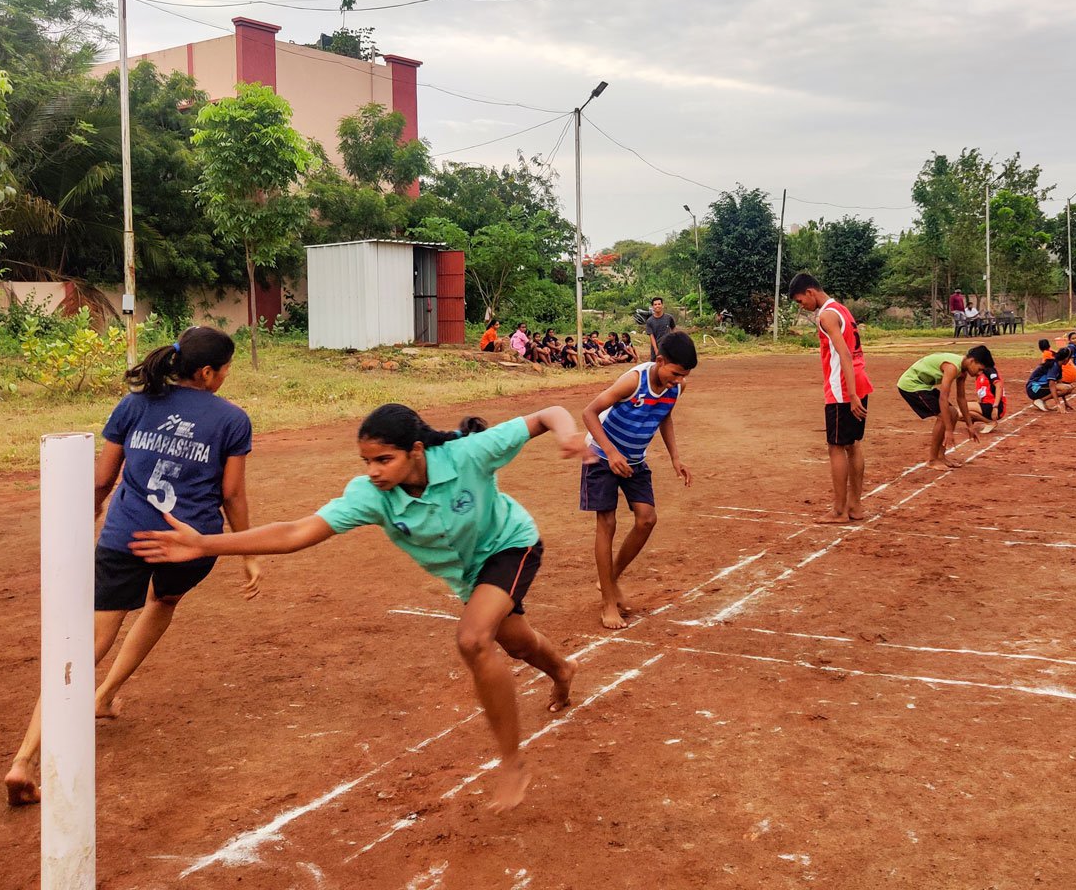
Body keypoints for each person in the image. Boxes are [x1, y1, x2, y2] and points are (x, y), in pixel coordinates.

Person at [133, 402, 590, 813]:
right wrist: (205, 544)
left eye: (383, 460)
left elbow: (549, 413)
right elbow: (296, 532)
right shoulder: (371, 495)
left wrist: (569, 433)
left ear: (415, 450)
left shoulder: (468, 454)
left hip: (510, 545)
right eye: (366, 461)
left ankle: (512, 762)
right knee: (514, 641)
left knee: (473, 639)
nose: (373, 470)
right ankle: (561, 670)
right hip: (467, 573)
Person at [5, 327, 259, 807]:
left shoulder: (136, 403)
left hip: (125, 539)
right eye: (225, 370)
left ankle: (24, 757)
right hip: (187, 545)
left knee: (88, 643)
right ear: (207, 373)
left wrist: (92, 514)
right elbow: (231, 494)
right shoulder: (232, 420)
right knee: (164, 602)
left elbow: (103, 478)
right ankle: (104, 695)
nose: (225, 378)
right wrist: (245, 551)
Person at [581, 331, 696, 630]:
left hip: (633, 460)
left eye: (684, 375)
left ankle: (610, 579)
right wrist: (610, 452)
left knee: (647, 519)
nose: (679, 380)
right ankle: (608, 602)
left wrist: (675, 457)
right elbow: (590, 412)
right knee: (607, 524)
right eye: (676, 372)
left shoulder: (676, 387)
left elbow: (664, 415)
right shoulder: (633, 381)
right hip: (601, 456)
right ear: (660, 361)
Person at [790, 273, 876, 517]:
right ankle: (855, 506)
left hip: (842, 389)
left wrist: (850, 395)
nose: (802, 307)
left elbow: (845, 354)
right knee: (853, 445)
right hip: (859, 381)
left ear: (810, 292)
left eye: (799, 301)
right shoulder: (842, 310)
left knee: (836, 447)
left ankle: (838, 511)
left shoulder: (826, 315)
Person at [895, 347, 988, 469]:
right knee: (944, 416)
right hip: (911, 385)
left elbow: (961, 398)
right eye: (980, 369)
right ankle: (932, 460)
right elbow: (943, 398)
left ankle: (941, 456)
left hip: (924, 386)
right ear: (972, 361)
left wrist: (970, 425)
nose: (979, 373)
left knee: (953, 413)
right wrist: (948, 430)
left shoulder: (962, 371)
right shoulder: (952, 367)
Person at [966, 358, 1005, 435]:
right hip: (987, 406)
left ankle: (990, 422)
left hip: (995, 407)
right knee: (959, 415)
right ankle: (983, 420)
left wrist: (995, 407)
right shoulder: (979, 378)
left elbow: (999, 386)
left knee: (963, 407)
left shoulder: (988, 372)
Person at [644, 297, 677, 362]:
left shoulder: (669, 318)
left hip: (667, 348)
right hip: (656, 349)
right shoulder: (649, 321)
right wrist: (656, 351)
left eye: (659, 304)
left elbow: (673, 329)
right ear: (652, 307)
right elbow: (651, 336)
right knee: (655, 367)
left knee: (668, 366)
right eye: (655, 304)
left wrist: (673, 341)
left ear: (662, 305)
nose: (657, 306)